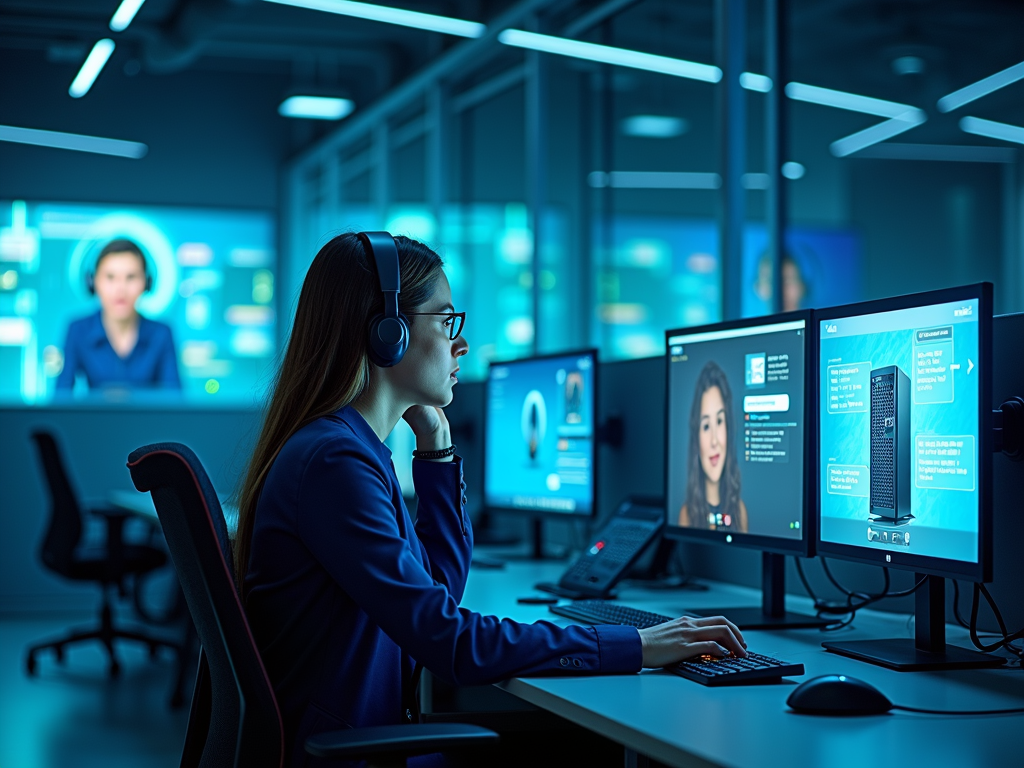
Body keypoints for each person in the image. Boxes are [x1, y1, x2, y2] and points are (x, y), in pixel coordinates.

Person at [235, 232, 747, 767]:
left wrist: (436, 449)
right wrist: (636, 646)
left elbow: (438, 595)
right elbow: (449, 641)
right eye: (447, 320)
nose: (462, 345)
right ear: (387, 333)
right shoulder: (334, 463)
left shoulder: (346, 450)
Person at [56, 238, 180, 393]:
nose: (120, 288)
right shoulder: (78, 330)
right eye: (110, 277)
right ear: (93, 283)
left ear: (146, 283)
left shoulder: (161, 334)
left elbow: (175, 400)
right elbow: (61, 397)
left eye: (131, 277)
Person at [677, 361, 748, 532]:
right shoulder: (687, 516)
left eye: (719, 421)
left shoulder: (740, 511)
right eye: (706, 426)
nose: (714, 441)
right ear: (696, 438)